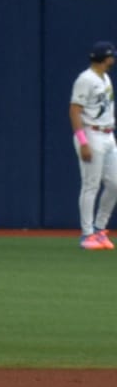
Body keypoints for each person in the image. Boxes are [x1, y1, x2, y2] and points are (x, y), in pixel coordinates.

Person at [70, 40, 117, 250]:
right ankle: (87, 234)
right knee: (91, 185)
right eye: (111, 55)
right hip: (91, 133)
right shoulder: (85, 79)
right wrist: (83, 141)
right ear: (104, 58)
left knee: (115, 184)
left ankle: (99, 229)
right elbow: (74, 110)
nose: (113, 58)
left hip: (108, 134)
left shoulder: (105, 77)